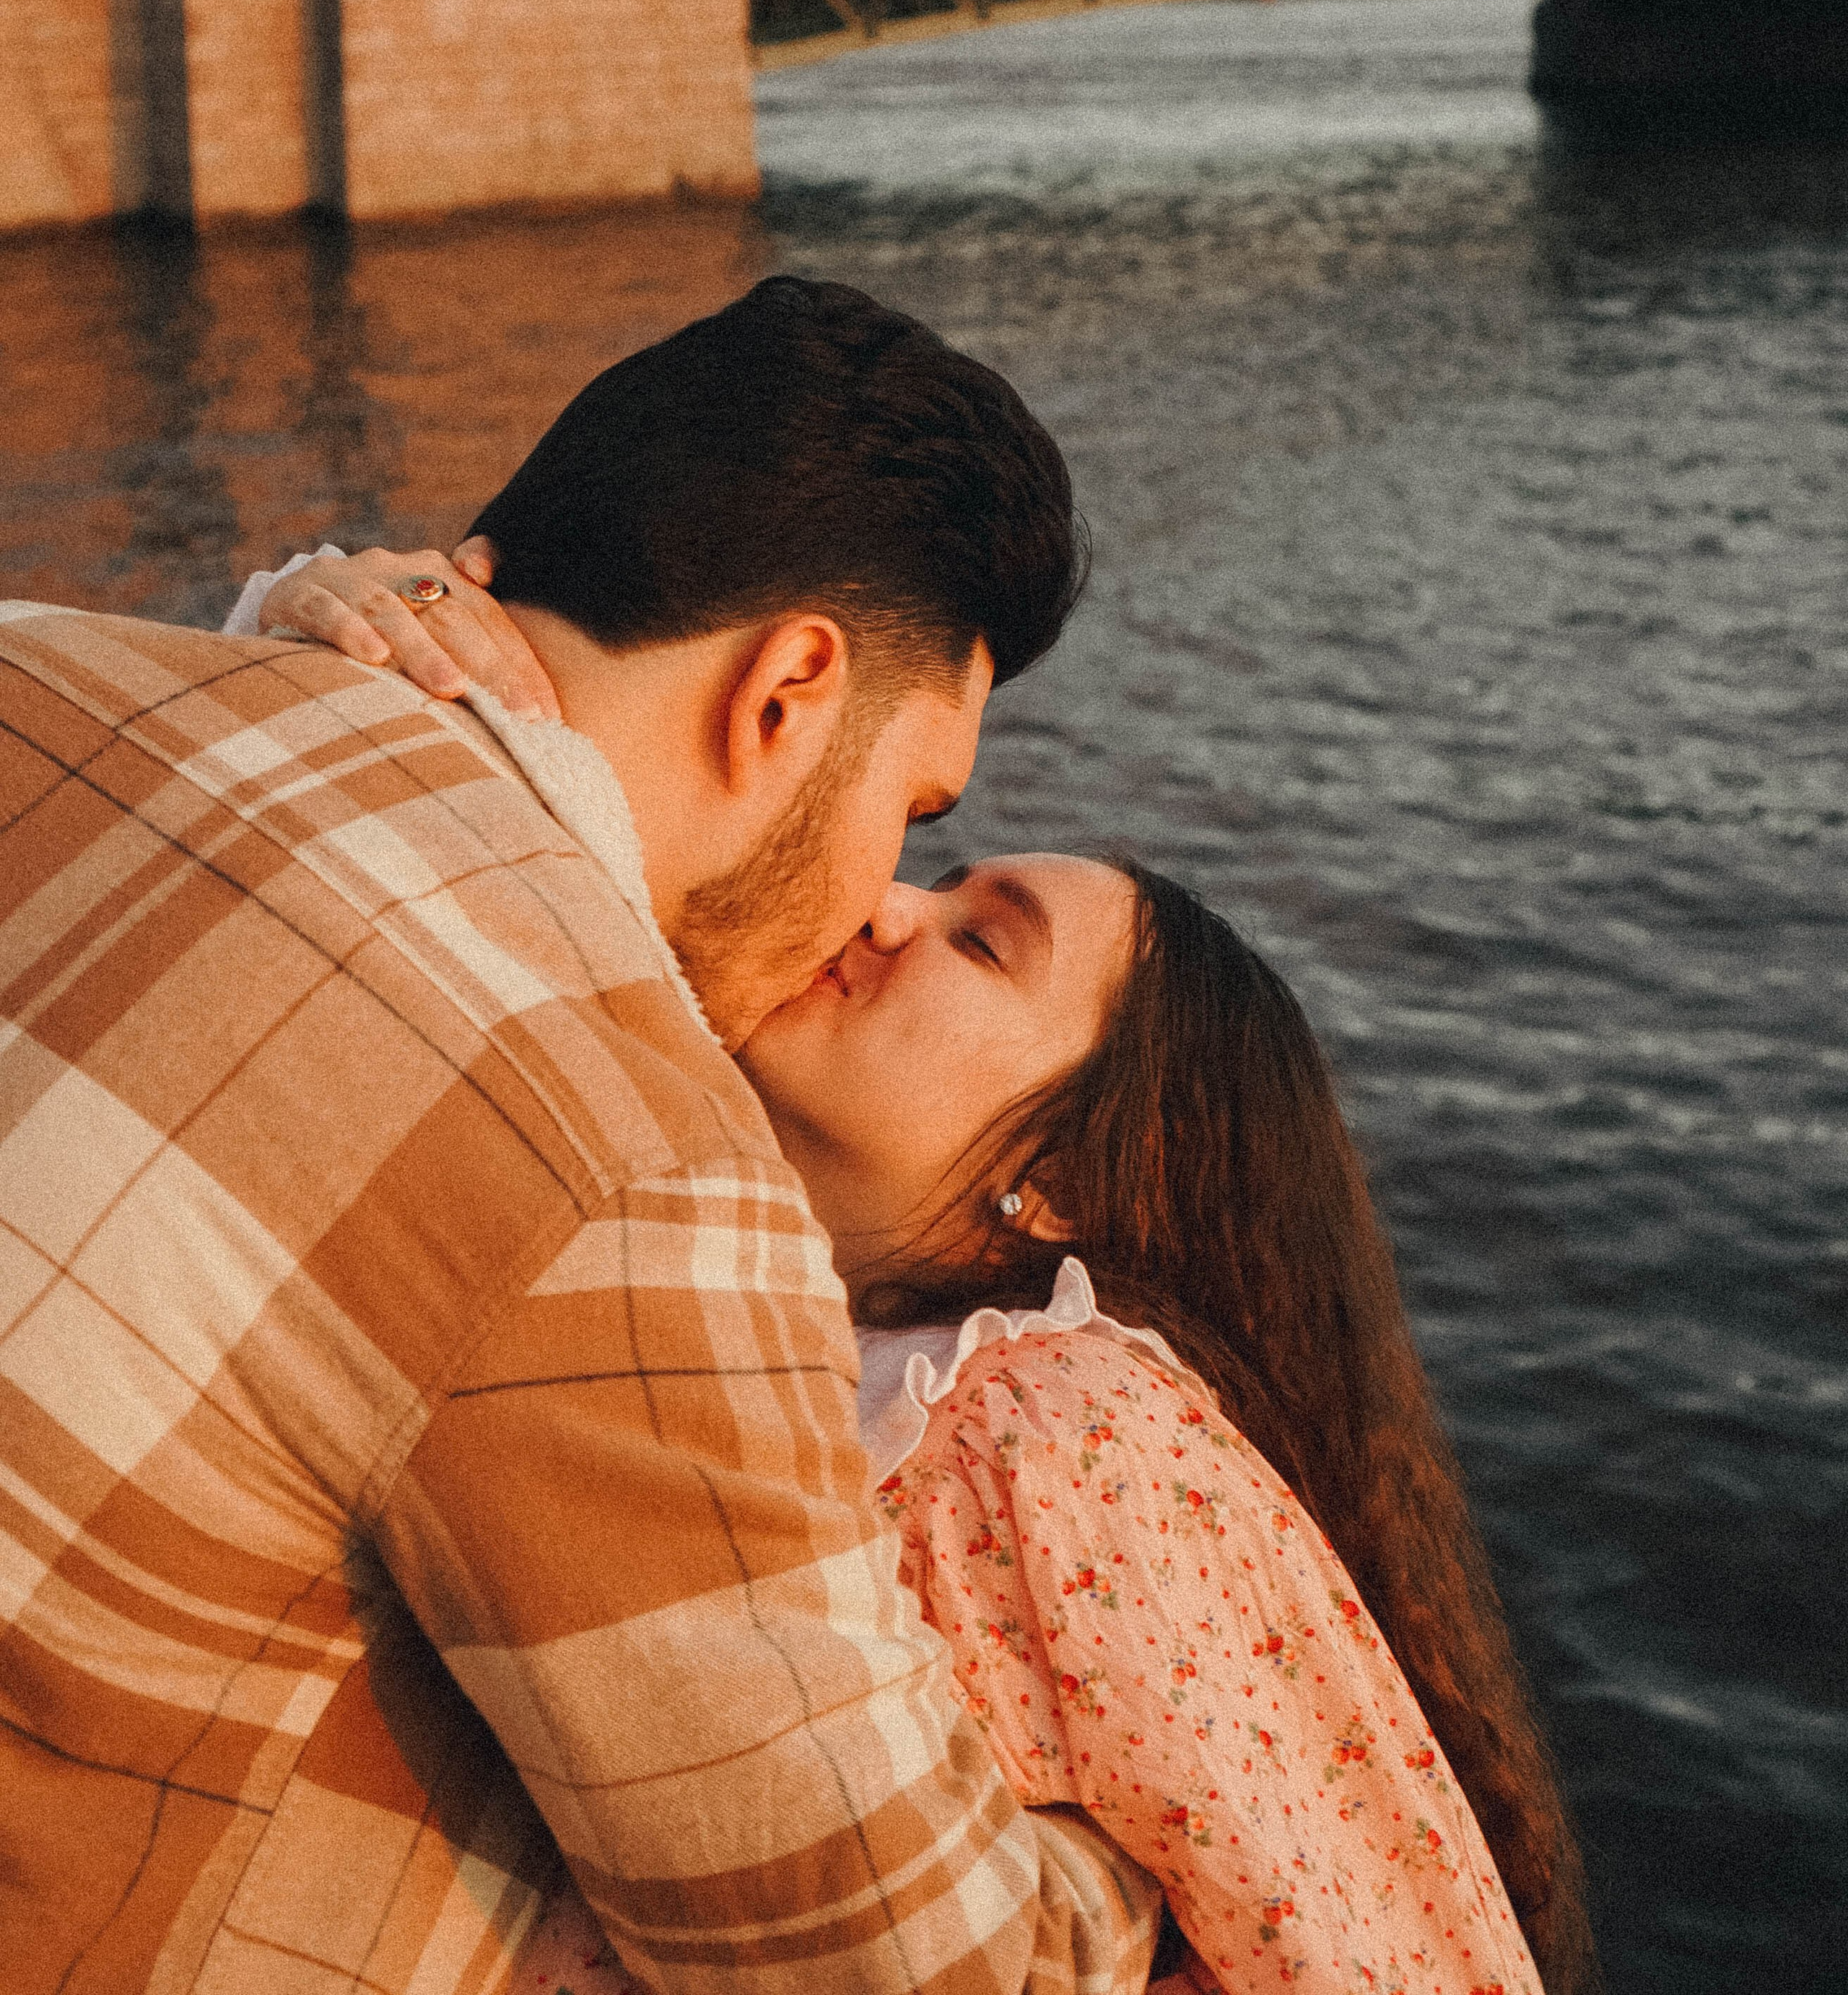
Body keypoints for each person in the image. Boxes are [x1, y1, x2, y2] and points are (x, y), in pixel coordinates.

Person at [0, 279, 1176, 1995]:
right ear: (786, 693)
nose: (879, 897)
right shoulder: (623, 1158)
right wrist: (1143, 1864)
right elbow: (895, 1967)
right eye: (913, 806)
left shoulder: (36, 660)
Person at [245, 539, 1603, 1991]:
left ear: (1069, 1182)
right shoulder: (712, 1291)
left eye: (983, 945)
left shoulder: (1060, 1429)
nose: (888, 903)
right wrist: (326, 632)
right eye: (937, 874)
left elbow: (1359, 1946)